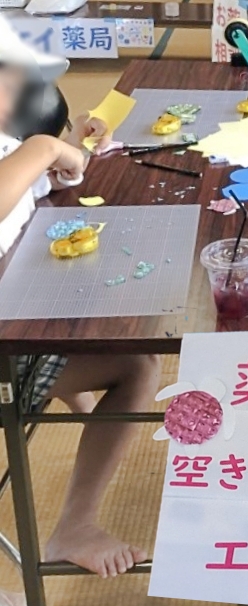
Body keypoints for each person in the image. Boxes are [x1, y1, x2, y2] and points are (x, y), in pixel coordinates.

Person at [0, 17, 160, 606]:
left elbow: (33, 184)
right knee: (137, 364)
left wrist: (77, 145)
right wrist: (45, 147)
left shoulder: (12, 149)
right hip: (8, 342)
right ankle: (75, 525)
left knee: (97, 296)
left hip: (19, 311)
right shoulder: (23, 148)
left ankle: (72, 390)